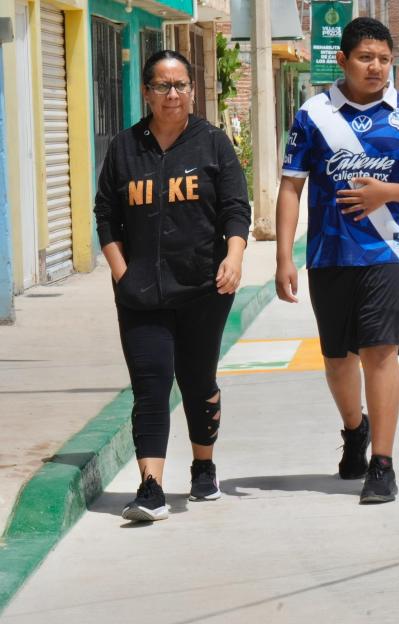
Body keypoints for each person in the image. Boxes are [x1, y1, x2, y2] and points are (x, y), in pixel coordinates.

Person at [275, 17, 399, 505]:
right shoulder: (313, 115)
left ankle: (383, 464)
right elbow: (291, 185)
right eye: (367, 58)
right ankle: (356, 429)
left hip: (390, 252)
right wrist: (284, 256)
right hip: (329, 254)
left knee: (380, 350)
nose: (376, 68)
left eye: (385, 59)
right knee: (337, 360)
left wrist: (385, 194)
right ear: (343, 60)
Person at [94, 50, 250, 522]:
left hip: (204, 287)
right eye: (163, 86)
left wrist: (235, 256)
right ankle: (151, 487)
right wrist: (122, 273)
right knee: (151, 384)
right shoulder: (125, 148)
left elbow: (234, 209)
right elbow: (106, 216)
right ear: (146, 91)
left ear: (191, 90)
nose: (173, 94)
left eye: (181, 85)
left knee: (198, 380)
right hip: (141, 294)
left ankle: (203, 466)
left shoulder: (212, 144)